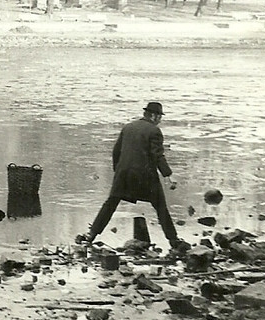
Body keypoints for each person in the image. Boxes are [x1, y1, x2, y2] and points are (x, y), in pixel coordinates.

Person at [77, 102, 187, 250]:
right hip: (144, 177)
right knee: (160, 207)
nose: (160, 120)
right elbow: (157, 156)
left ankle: (90, 235)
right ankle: (173, 241)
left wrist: (119, 172)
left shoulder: (128, 127)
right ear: (154, 116)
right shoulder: (154, 132)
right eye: (160, 116)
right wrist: (168, 175)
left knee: (110, 204)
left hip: (123, 174)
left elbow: (116, 151)